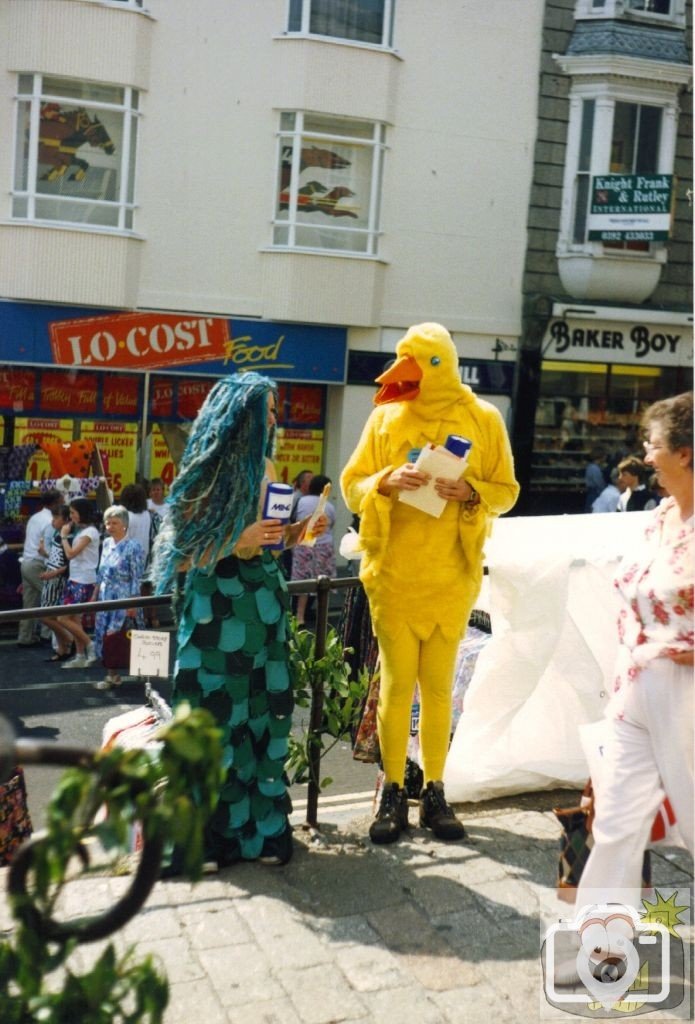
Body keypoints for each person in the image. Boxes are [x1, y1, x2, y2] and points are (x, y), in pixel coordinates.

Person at [341, 322, 519, 845]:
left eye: (419, 363)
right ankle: (393, 791)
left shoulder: (483, 419)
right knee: (396, 687)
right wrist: (385, 481)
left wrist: (471, 490)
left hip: (450, 578)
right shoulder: (384, 418)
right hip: (393, 576)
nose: (407, 375)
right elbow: (352, 486)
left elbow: (507, 492)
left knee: (439, 691)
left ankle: (435, 791)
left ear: (442, 364)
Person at [151, 371, 327, 870]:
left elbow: (266, 540)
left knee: (257, 723)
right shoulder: (205, 472)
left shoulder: (267, 464)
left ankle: (259, 833)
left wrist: (295, 534)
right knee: (213, 723)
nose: (275, 418)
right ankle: (204, 839)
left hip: (262, 608)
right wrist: (241, 539)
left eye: (275, 409)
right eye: (266, 411)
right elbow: (181, 556)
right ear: (239, 416)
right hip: (216, 614)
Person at [563, 392, 693, 979]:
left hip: (688, 691)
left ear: (686, 454)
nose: (644, 453)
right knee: (616, 821)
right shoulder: (660, 517)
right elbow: (633, 609)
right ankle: (600, 951)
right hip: (638, 686)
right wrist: (619, 689)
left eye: (654, 443)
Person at [92, 505, 146, 690]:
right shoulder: (106, 543)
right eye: (108, 523)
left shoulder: (134, 546)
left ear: (124, 525)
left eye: (115, 523)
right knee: (107, 636)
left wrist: (132, 603)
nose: (110, 526)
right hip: (106, 596)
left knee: (123, 633)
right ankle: (112, 675)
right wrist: (94, 594)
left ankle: (142, 670)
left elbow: (137, 576)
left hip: (125, 596)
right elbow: (101, 570)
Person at [17, 489, 62, 647]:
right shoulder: (51, 521)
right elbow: (47, 548)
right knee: (51, 599)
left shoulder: (35, 517)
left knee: (29, 604)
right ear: (55, 503)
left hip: (26, 562)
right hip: (38, 564)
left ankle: (25, 637)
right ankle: (47, 634)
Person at [59, 498, 101, 669]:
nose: (71, 516)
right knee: (75, 619)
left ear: (82, 514)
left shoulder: (89, 532)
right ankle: (80, 655)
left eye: (73, 513)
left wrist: (63, 536)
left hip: (83, 580)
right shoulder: (83, 530)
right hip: (76, 578)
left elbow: (70, 554)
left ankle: (90, 645)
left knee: (63, 617)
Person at [291, 474, 336, 626]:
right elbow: (331, 524)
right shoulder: (329, 506)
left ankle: (299, 616)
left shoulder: (302, 501)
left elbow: (295, 519)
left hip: (304, 544)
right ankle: (322, 616)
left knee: (303, 580)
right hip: (324, 546)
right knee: (323, 582)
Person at [39, 504, 75, 661]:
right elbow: (57, 558)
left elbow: (68, 564)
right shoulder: (59, 534)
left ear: (66, 519)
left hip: (56, 580)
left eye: (56, 518)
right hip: (51, 577)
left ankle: (69, 639)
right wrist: (45, 553)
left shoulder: (68, 536)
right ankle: (62, 648)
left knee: (46, 616)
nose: (53, 521)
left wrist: (53, 573)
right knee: (50, 616)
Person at [584, 447, 607, 512]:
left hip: (592, 494)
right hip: (595, 495)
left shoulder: (591, 466)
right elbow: (600, 484)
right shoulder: (595, 468)